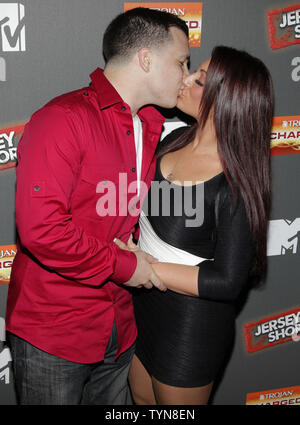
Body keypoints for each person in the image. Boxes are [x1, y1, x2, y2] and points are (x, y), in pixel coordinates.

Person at [5, 8, 190, 405]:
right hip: (55, 332)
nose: (186, 75)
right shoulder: (62, 120)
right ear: (146, 58)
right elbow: (43, 231)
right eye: (181, 61)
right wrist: (127, 266)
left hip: (121, 326)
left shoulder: (152, 125)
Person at [115, 45, 274, 405]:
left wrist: (143, 266)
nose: (184, 81)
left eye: (199, 79)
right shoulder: (171, 138)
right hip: (143, 310)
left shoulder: (235, 182)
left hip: (191, 326)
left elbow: (228, 281)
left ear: (226, 99)